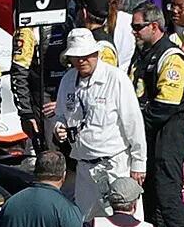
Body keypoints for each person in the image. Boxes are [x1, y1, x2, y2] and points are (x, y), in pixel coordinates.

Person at [128, 4, 184, 227]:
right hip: (151, 129)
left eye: (137, 27)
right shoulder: (143, 54)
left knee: (167, 191)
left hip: (170, 128)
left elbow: (165, 105)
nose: (133, 32)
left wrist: (136, 127)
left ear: (154, 26)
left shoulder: (171, 56)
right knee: (151, 192)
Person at [55, 27, 148, 215]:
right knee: (87, 225)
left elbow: (134, 124)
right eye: (76, 56)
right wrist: (59, 126)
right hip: (84, 167)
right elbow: (60, 115)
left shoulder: (116, 79)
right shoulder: (67, 80)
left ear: (96, 53)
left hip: (114, 165)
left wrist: (139, 164)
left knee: (124, 222)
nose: (81, 60)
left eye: (86, 55)